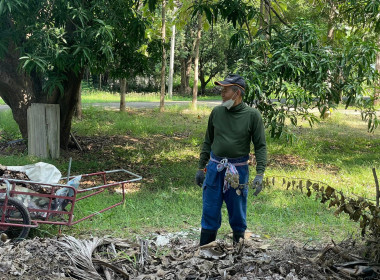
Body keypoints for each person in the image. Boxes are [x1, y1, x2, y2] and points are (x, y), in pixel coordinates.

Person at [195, 73, 267, 246]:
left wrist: (260, 174)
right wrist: (200, 167)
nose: (222, 93)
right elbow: (208, 141)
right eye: (222, 89)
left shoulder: (252, 115)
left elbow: (260, 146)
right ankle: (205, 249)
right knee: (210, 209)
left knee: (237, 212)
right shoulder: (217, 112)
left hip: (238, 171)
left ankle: (238, 250)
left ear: (237, 93)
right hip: (214, 169)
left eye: (225, 90)